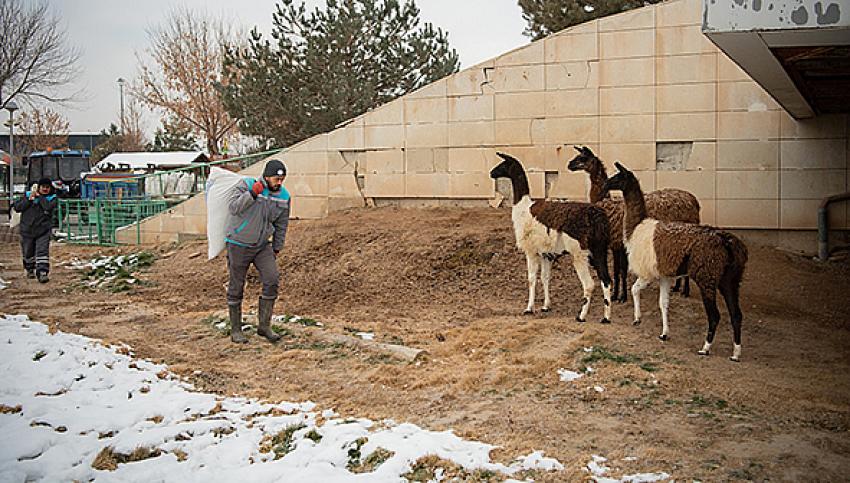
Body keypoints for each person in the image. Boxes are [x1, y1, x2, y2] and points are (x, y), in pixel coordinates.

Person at [224, 159, 291, 343]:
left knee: (272, 279)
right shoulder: (246, 185)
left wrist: (277, 246)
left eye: (282, 179)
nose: (279, 183)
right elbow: (234, 207)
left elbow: (282, 223)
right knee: (236, 285)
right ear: (266, 176)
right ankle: (236, 330)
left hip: (262, 245)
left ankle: (264, 326)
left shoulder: (284, 196)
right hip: (238, 242)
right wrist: (252, 194)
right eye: (276, 179)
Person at [13, 178, 57, 283]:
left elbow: (47, 207)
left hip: (43, 230)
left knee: (42, 251)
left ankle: (42, 272)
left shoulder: (52, 198)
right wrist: (30, 199)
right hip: (27, 230)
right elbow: (18, 207)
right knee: (28, 252)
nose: (45, 189)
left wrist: (40, 197)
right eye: (43, 187)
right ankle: (29, 269)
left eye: (47, 187)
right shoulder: (27, 196)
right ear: (38, 187)